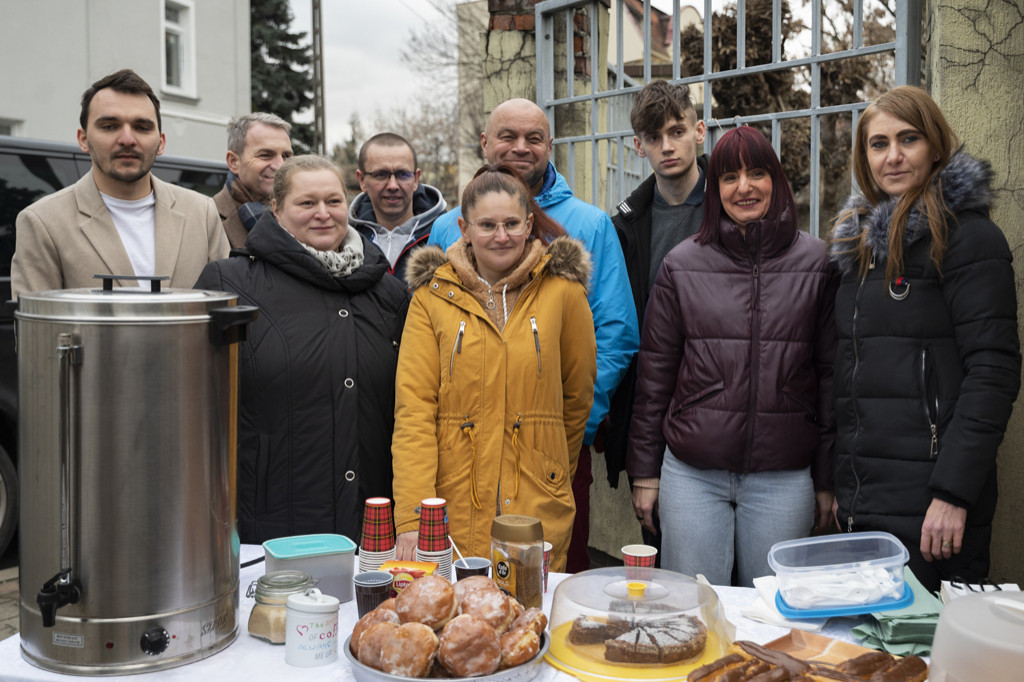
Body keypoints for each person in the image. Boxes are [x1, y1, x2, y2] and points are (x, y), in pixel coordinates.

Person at [429, 98, 637, 572]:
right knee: (469, 574)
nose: (520, 148)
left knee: (553, 574)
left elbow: (615, 332)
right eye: (508, 136)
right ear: (485, 142)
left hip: (556, 443)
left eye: (534, 138)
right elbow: (432, 338)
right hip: (466, 447)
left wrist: (572, 427)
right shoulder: (448, 228)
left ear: (550, 146)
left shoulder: (590, 224)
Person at [828, 86, 1020, 591]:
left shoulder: (968, 238)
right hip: (862, 504)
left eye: (907, 139)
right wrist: (833, 485)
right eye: (878, 143)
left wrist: (954, 494)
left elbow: (994, 371)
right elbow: (843, 372)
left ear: (935, 145)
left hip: (933, 511)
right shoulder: (857, 246)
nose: (892, 156)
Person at [627, 126, 837, 587]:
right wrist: (644, 472)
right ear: (715, 188)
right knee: (692, 613)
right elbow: (654, 378)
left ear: (776, 180)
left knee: (773, 619)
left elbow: (829, 378)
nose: (744, 187)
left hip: (783, 475)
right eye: (729, 176)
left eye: (757, 172)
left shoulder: (817, 262)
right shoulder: (681, 265)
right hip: (693, 474)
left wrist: (826, 478)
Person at [196, 155, 410, 544]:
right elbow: (198, 408)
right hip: (272, 528)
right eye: (306, 203)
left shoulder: (390, 293)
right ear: (275, 209)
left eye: (333, 201)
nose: (323, 214)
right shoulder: (230, 285)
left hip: (374, 526)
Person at [393, 164, 597, 572]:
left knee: (527, 621)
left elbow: (577, 397)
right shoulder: (432, 298)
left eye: (511, 224)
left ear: (528, 225)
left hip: (537, 501)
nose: (501, 236)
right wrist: (413, 515)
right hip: (453, 501)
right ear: (464, 228)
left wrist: (551, 465)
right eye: (487, 225)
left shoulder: (563, 292)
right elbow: (414, 409)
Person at [11, 69, 227, 297]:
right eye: (109, 126)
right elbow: (35, 327)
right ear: (83, 140)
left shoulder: (202, 213)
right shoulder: (43, 222)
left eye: (142, 127)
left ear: (161, 142)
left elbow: (227, 314)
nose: (127, 139)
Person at [608, 80, 709, 558]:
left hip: (718, 401)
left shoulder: (732, 206)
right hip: (651, 408)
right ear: (638, 145)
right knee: (664, 557)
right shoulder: (626, 223)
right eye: (654, 137)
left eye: (677, 131)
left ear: (700, 132)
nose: (666, 146)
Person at [350, 133, 447, 282]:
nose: (393, 186)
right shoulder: (345, 240)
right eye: (381, 174)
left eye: (403, 174)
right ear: (362, 180)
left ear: (416, 179)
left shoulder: (445, 236)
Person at [214, 112, 294, 248]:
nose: (280, 165)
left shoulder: (303, 215)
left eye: (286, 156)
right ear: (233, 162)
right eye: (265, 155)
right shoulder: (207, 219)